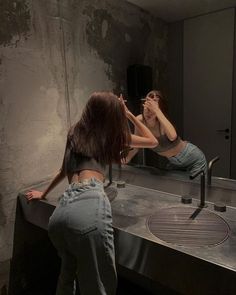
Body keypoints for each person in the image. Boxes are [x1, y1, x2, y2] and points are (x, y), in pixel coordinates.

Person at [25, 91, 157, 295]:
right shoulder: (113, 136)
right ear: (112, 114)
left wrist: (43, 194)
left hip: (60, 214)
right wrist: (129, 114)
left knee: (66, 277)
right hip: (89, 206)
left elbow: (63, 170)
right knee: (98, 287)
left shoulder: (74, 132)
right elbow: (152, 141)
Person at [125, 90, 207, 175]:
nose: (149, 113)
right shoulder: (140, 120)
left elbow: (173, 136)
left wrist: (157, 110)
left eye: (152, 110)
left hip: (194, 159)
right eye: (147, 109)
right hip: (174, 163)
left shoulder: (162, 121)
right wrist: (125, 160)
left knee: (198, 187)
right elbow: (136, 147)